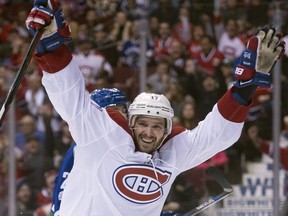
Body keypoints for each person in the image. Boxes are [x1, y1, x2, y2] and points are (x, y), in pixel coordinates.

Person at [26, 1, 285, 215]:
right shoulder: (101, 136)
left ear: (167, 129)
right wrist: (52, 48)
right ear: (131, 123)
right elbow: (69, 97)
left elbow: (216, 135)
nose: (149, 132)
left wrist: (244, 89)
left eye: (157, 126)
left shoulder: (171, 154)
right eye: (143, 124)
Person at [51, 88, 128, 215]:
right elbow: (62, 187)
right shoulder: (81, 147)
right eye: (115, 111)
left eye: (123, 111)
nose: (122, 116)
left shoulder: (127, 145)